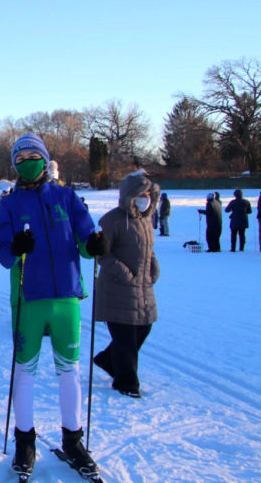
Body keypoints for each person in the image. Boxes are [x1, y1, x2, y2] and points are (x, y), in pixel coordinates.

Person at [0, 133, 104, 479]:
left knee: (68, 370)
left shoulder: (67, 197)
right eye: (20, 156)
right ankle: (25, 440)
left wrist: (95, 245)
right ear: (14, 164)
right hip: (28, 299)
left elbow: (86, 240)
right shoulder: (9, 204)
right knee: (25, 371)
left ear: (44, 158)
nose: (27, 161)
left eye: (33, 154)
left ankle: (72, 440)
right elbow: (2, 254)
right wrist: (16, 246)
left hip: (66, 297)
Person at [93, 170, 160, 399]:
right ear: (130, 196)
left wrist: (153, 265)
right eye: (141, 195)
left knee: (144, 328)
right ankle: (127, 383)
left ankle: (108, 360)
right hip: (117, 288)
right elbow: (102, 255)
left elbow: (147, 248)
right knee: (126, 339)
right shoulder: (112, 220)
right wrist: (124, 273)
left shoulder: (145, 221)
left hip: (142, 287)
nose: (145, 199)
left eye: (149, 195)